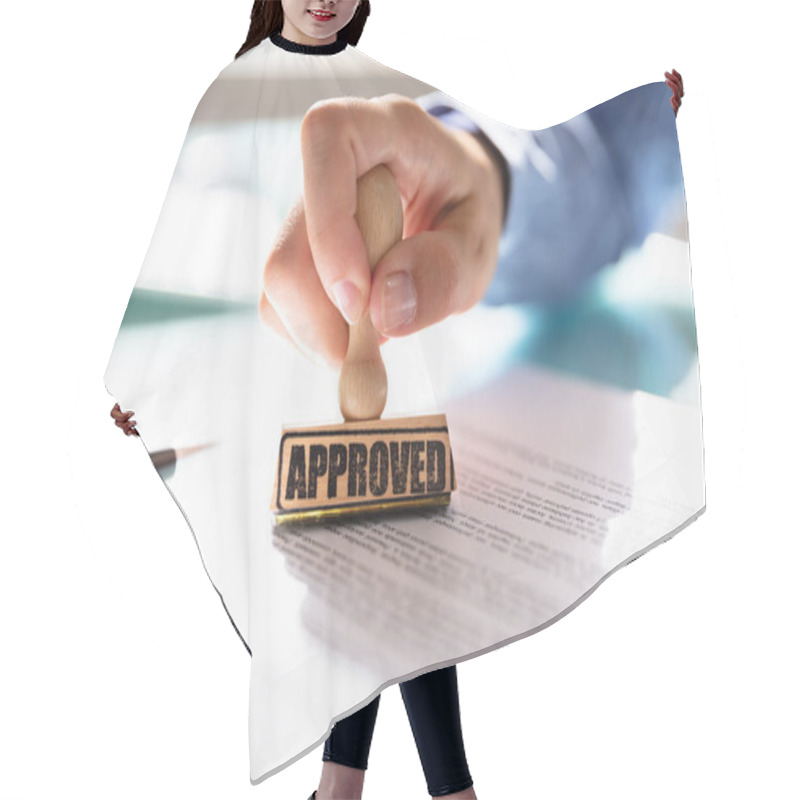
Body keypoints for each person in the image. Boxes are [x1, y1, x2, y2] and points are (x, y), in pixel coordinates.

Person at [110, 2, 685, 798]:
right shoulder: (229, 91)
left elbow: (495, 145)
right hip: (289, 390)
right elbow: (193, 252)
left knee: (400, 581)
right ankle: (426, 791)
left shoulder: (381, 86)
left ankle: (355, 789)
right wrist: (147, 374)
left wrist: (646, 115)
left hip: (394, 380)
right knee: (382, 583)